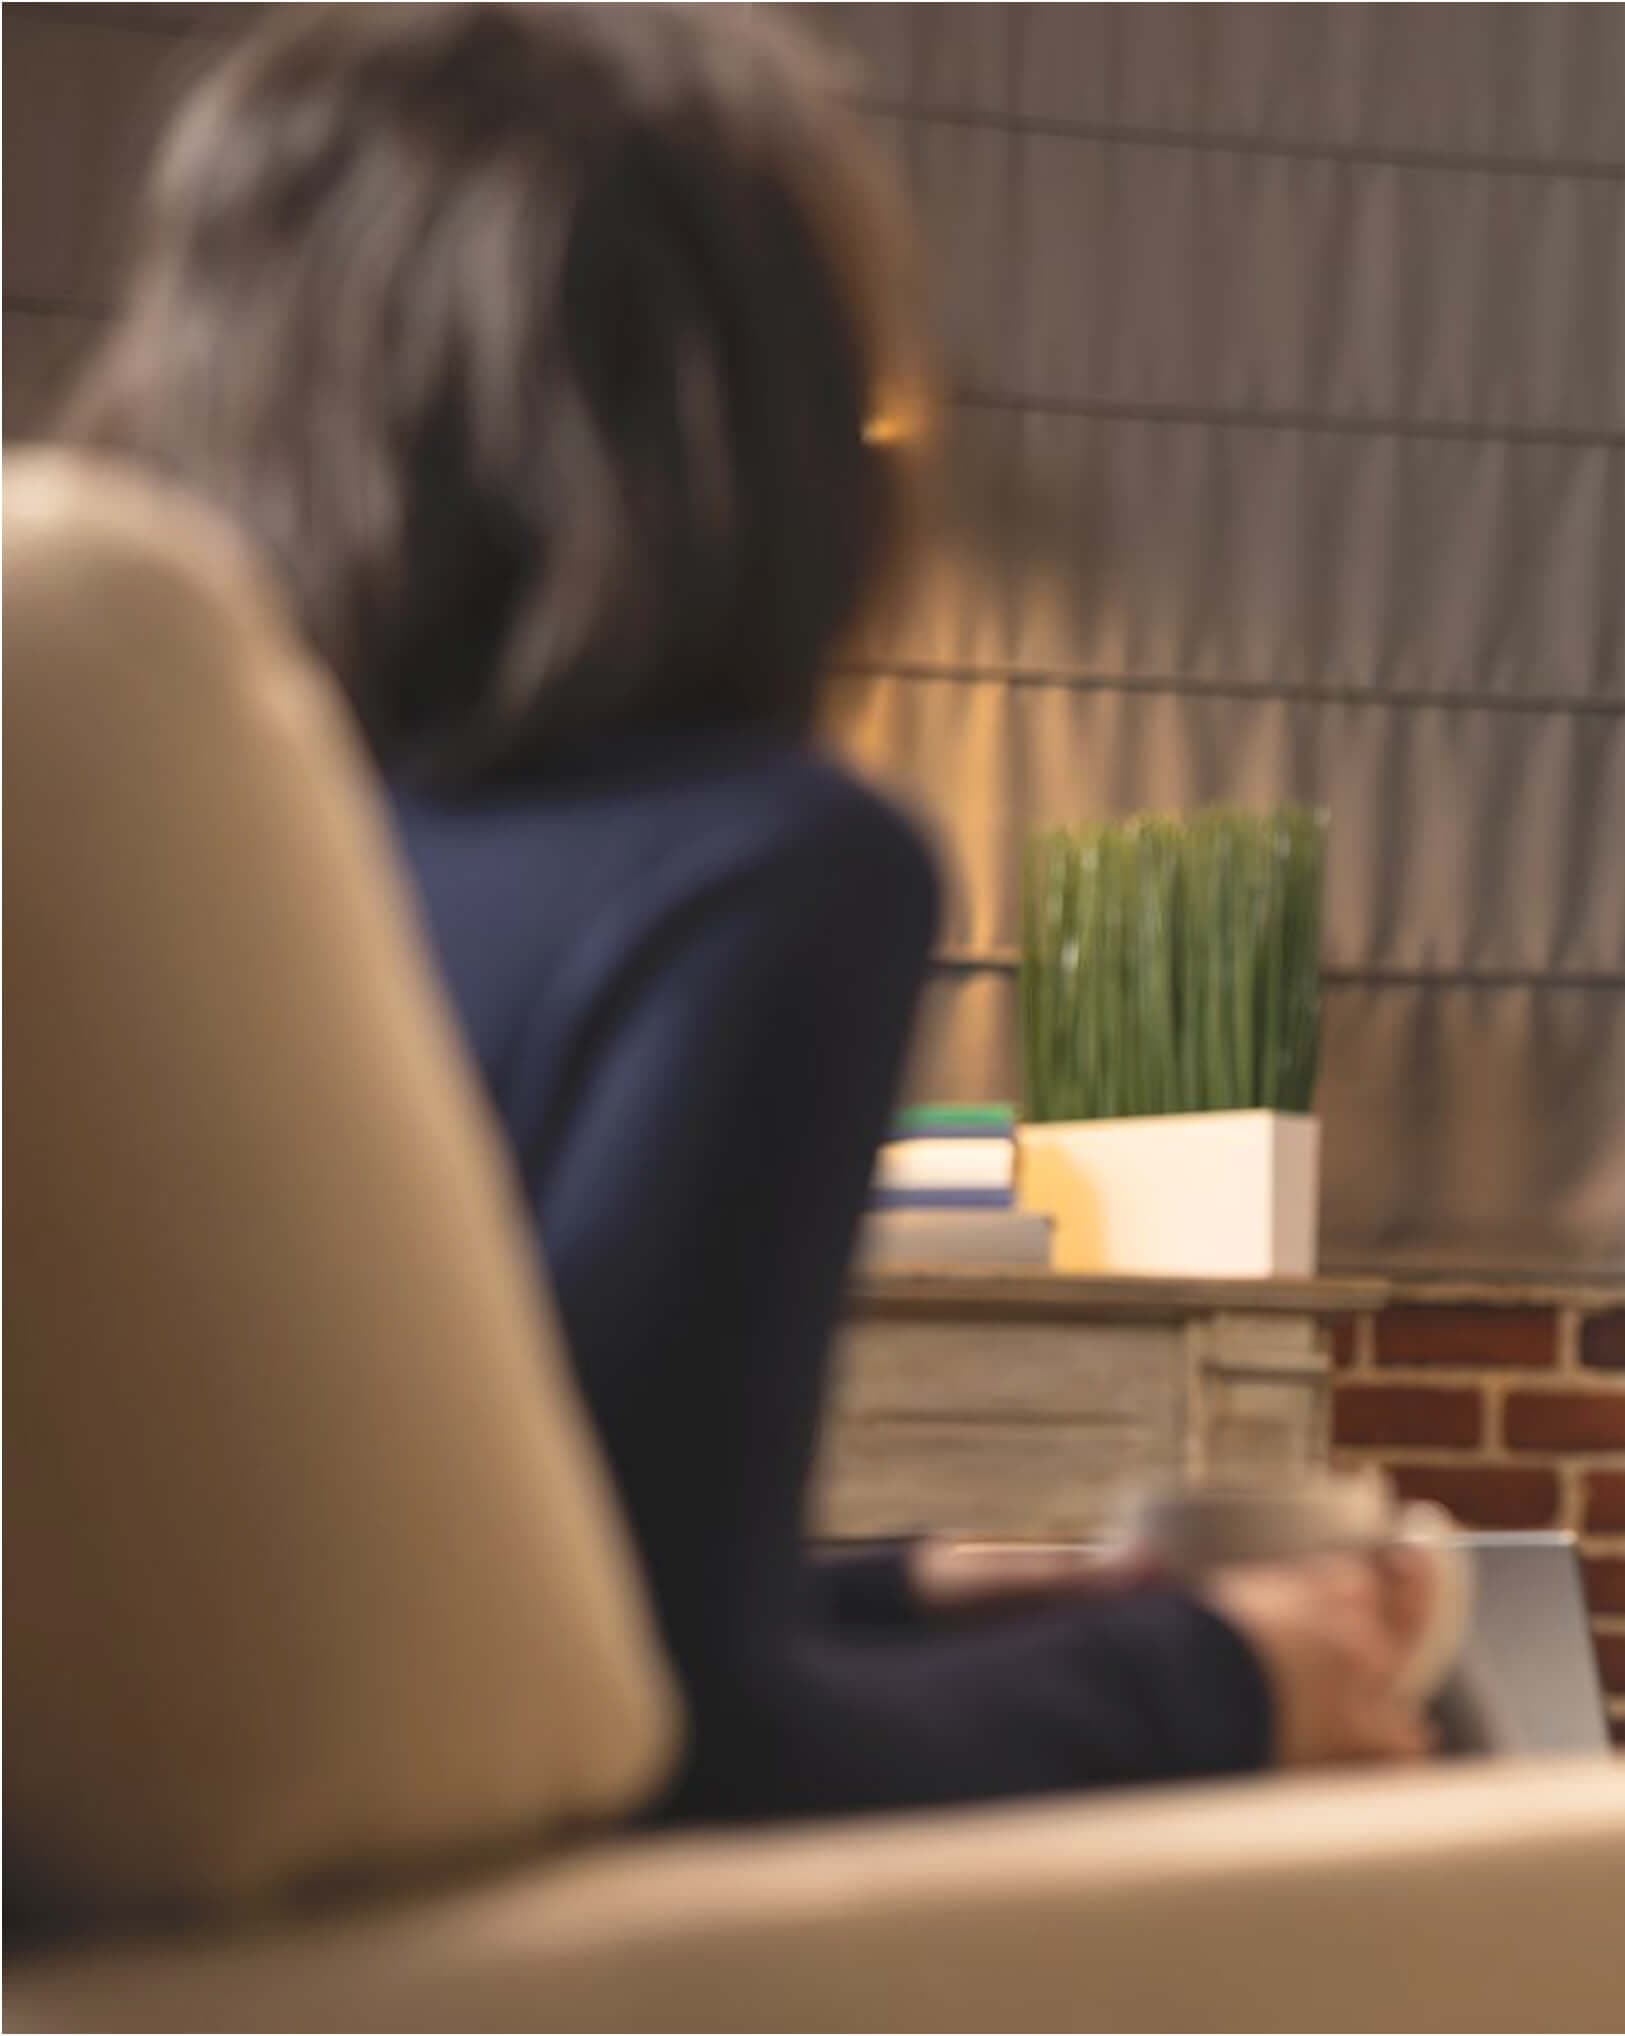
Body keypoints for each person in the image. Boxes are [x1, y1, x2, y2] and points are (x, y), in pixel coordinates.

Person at [61, 3, 1429, 1815]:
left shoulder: (158, 862)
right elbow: (682, 1746)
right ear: (753, 406)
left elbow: (399, 1600)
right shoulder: (758, 874)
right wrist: (1228, 1673)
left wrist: (911, 1589)